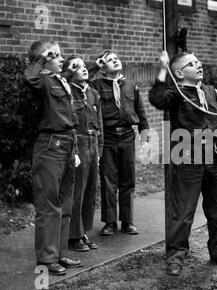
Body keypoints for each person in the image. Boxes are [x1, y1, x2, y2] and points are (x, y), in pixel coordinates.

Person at [148, 51, 217, 276]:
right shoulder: (177, 92)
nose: (198, 65)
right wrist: (162, 69)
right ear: (179, 73)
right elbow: (157, 99)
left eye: (198, 62)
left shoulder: (209, 90)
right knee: (183, 210)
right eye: (192, 64)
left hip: (212, 157)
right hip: (187, 157)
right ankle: (176, 256)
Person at [24, 40, 82, 275]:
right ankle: (47, 259)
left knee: (65, 202)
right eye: (55, 55)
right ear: (44, 59)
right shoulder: (42, 81)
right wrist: (41, 59)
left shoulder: (59, 81)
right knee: (49, 204)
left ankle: (59, 253)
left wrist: (75, 149)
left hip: (68, 143)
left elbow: (69, 114)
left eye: (60, 54)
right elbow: (30, 78)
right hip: (51, 145)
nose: (61, 58)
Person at [89, 51, 150, 236]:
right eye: (109, 60)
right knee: (108, 180)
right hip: (107, 137)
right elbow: (82, 81)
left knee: (128, 179)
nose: (115, 60)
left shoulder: (131, 85)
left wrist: (145, 137)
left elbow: (141, 113)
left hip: (127, 137)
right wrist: (96, 65)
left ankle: (127, 220)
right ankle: (109, 221)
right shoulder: (96, 85)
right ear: (102, 67)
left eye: (116, 58)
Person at [62, 56, 103, 251]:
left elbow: (99, 121)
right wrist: (75, 150)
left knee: (90, 190)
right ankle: (73, 236)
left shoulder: (93, 93)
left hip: (93, 142)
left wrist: (100, 149)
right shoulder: (68, 92)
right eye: (76, 66)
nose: (83, 68)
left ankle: (84, 231)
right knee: (77, 190)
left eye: (84, 65)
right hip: (79, 142)